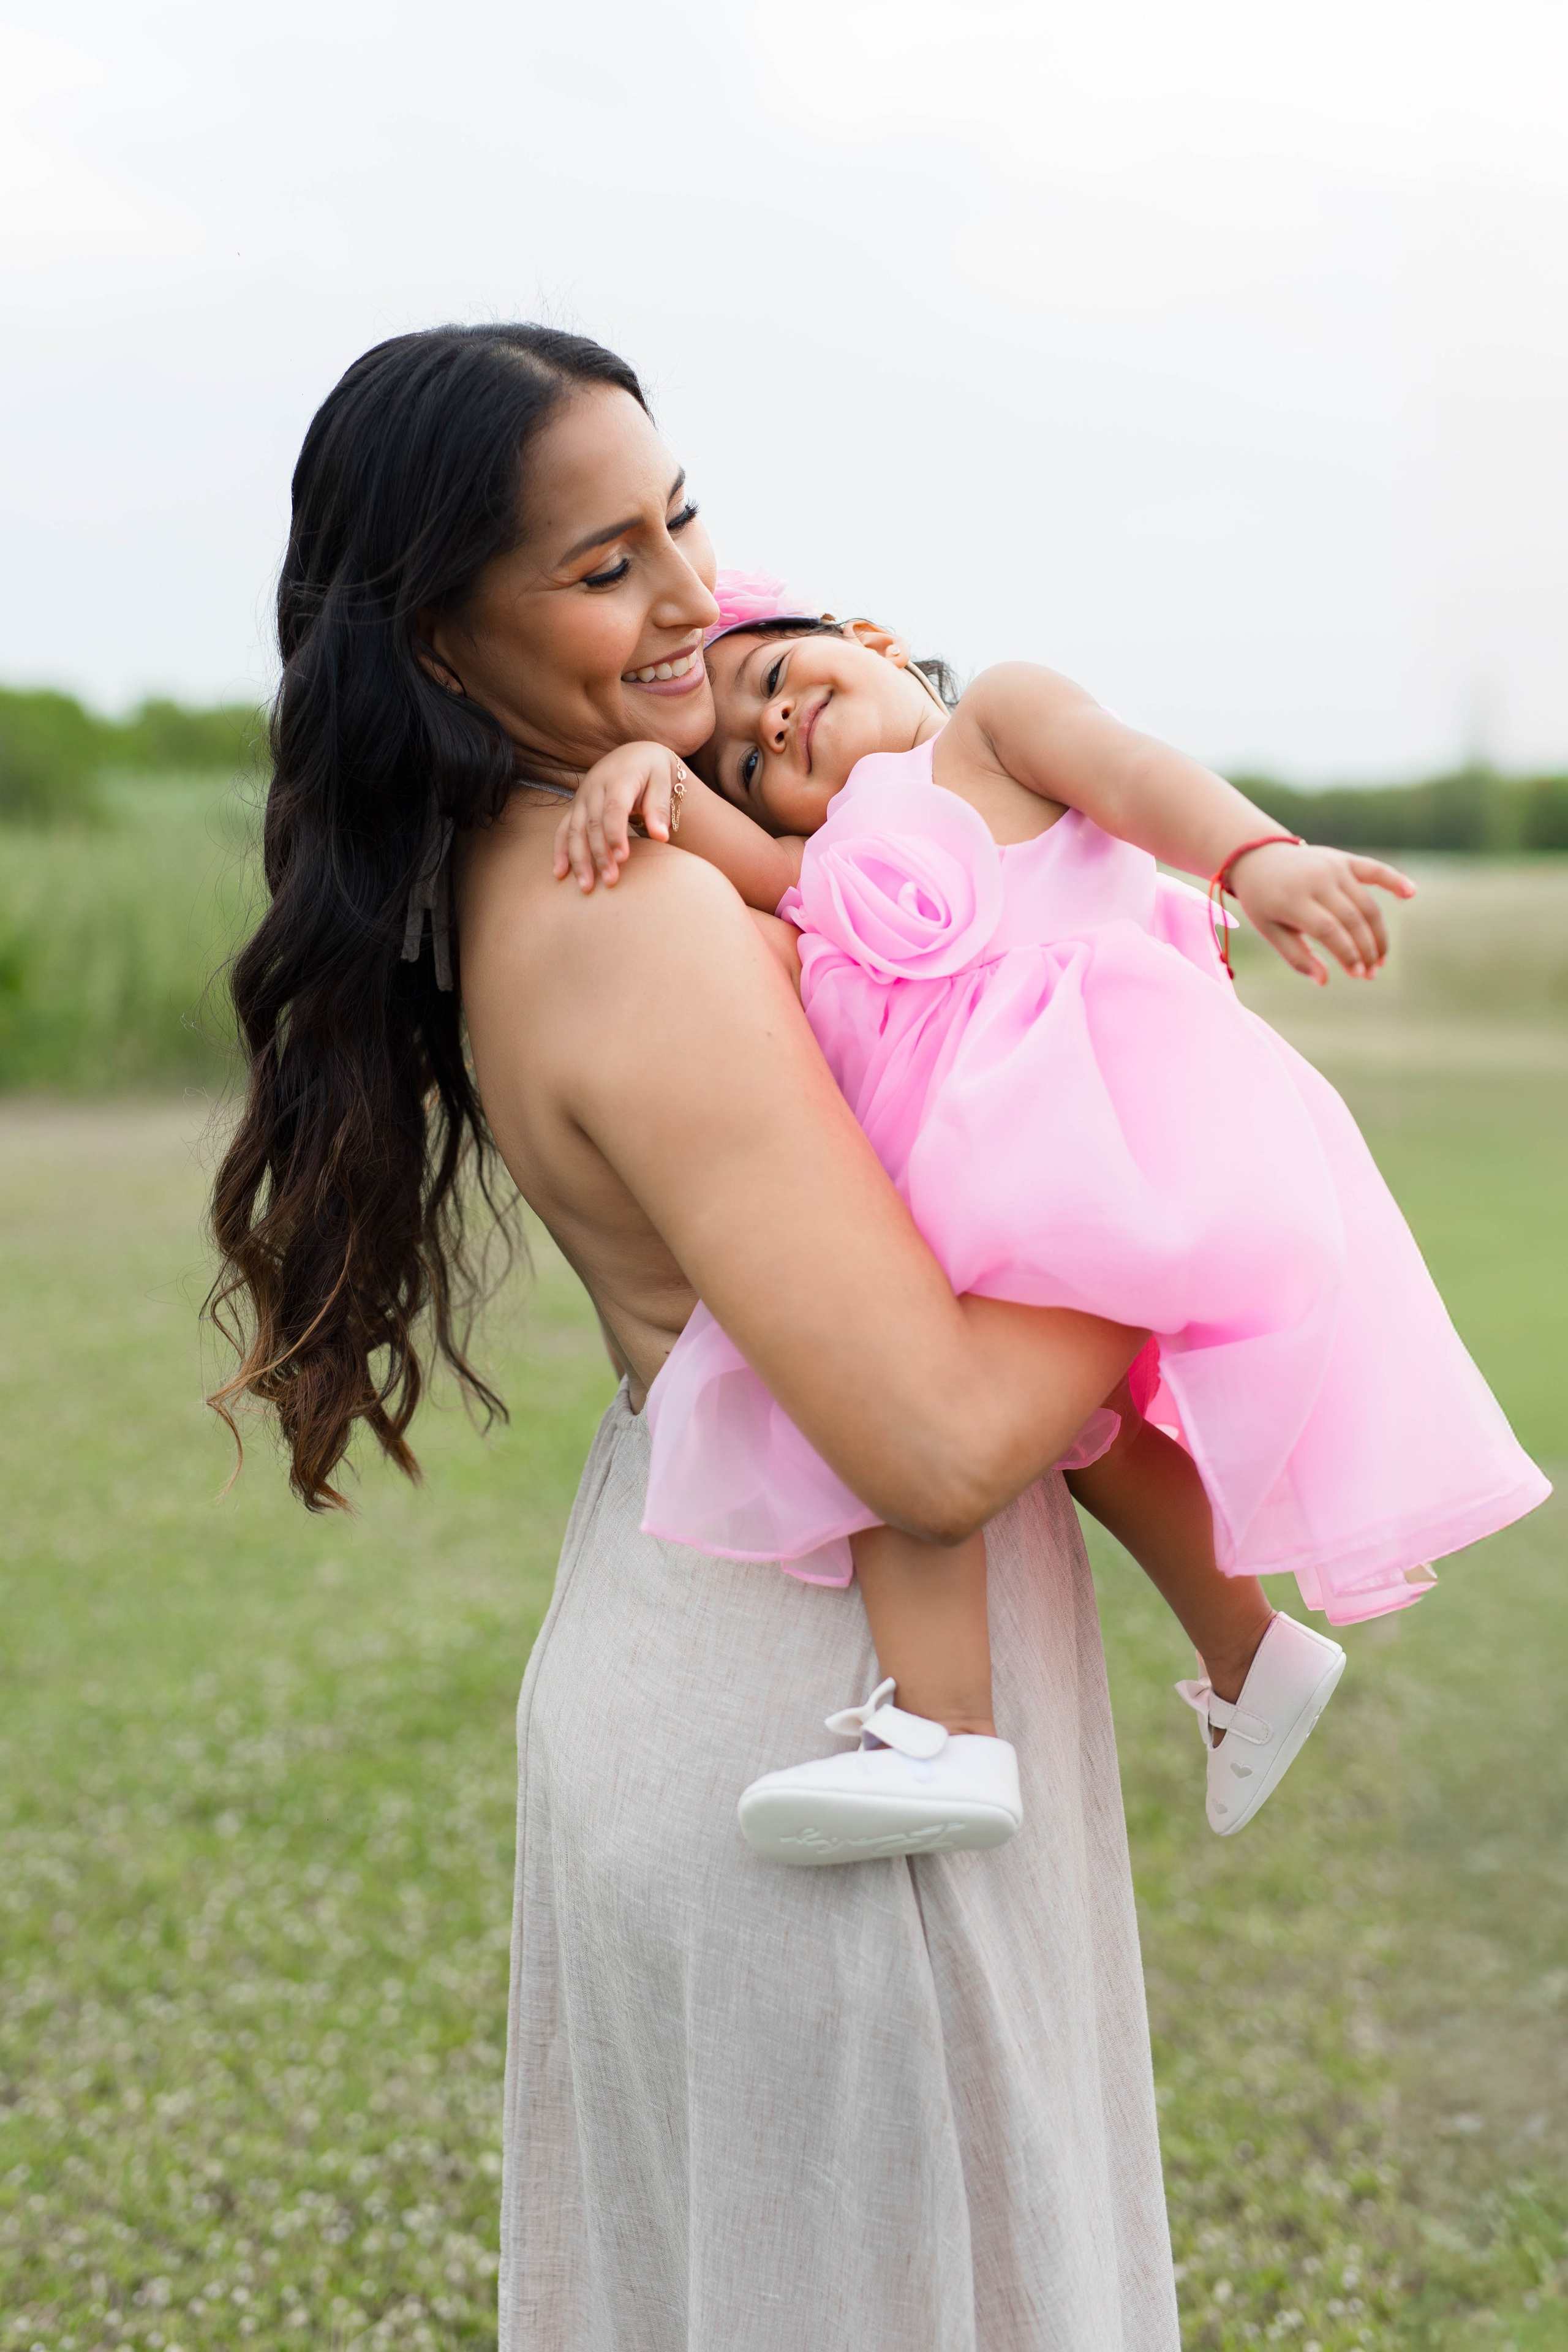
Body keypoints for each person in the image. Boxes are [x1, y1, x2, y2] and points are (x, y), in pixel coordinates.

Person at [209, 326, 1183, 2348]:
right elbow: (924, 1444)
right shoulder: (631, 910)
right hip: (820, 1717)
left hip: (789, 1671)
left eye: (680, 519)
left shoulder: (592, 849)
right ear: (438, 643)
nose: (686, 598)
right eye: (598, 567)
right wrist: (1167, 1165)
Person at [552, 579, 1551, 1861]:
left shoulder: (991, 732)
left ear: (862, 641)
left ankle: (941, 1735)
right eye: (748, 756)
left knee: (890, 1423)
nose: (773, 723)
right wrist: (647, 766)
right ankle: (1249, 1653)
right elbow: (723, 849)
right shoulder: (819, 858)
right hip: (979, 1186)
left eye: (774, 678)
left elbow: (1133, 773)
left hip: (1078, 1134)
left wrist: (1255, 858)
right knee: (1084, 1439)